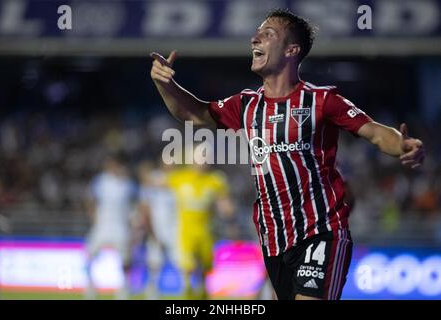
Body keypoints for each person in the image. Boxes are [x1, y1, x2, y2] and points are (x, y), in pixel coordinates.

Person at [149, 9, 425, 300]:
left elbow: (374, 131)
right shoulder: (245, 105)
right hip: (274, 242)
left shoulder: (323, 101)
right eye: (257, 33)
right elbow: (195, 114)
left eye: (268, 34)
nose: (255, 37)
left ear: (292, 50)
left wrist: (402, 145)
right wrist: (165, 85)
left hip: (322, 231)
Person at [167, 148, 234, 299]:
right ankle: (187, 289)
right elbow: (157, 184)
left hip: (206, 229)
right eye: (200, 158)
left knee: (206, 265)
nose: (203, 162)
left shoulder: (215, 179)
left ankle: (203, 290)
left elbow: (225, 203)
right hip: (185, 230)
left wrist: (227, 210)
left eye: (206, 158)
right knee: (187, 265)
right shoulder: (179, 177)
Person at [84, 155, 138, 300]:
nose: (113, 168)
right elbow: (90, 199)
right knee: (89, 254)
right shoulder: (100, 181)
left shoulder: (128, 184)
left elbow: (136, 203)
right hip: (102, 225)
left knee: (125, 259)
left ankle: (124, 288)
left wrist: (133, 222)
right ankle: (91, 286)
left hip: (121, 226)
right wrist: (93, 217)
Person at [136, 160, 179, 299]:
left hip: (175, 228)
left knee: (181, 262)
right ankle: (151, 291)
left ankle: (185, 291)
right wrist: (150, 228)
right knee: (155, 262)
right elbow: (145, 204)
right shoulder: (153, 178)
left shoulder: (179, 179)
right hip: (157, 227)